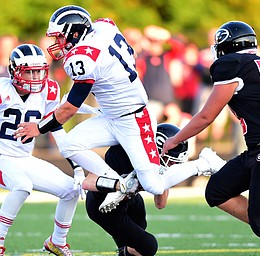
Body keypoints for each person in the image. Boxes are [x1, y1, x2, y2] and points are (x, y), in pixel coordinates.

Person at [13, 5, 225, 213]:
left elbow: (70, 108)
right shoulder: (104, 27)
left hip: (134, 118)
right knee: (69, 145)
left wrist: (39, 128)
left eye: (60, 36)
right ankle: (119, 184)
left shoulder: (82, 58)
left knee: (155, 186)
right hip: (111, 115)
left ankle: (203, 162)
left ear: (76, 33)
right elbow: (128, 52)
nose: (57, 42)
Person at [161, 21, 260, 256]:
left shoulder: (232, 64)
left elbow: (207, 116)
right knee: (218, 190)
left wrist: (175, 139)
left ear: (227, 45)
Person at [0, 44, 81, 256]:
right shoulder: (2, 90)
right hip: (1, 156)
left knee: (72, 190)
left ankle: (57, 241)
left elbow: (55, 126)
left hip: (23, 157)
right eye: (29, 71)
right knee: (22, 186)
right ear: (15, 71)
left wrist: (76, 162)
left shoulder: (49, 89)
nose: (35, 77)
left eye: (39, 71)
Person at [86, 123, 188, 256]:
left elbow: (160, 203)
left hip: (129, 200)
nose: (172, 165)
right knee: (148, 246)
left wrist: (162, 175)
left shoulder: (153, 162)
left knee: (138, 220)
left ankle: (124, 252)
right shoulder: (125, 152)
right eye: (171, 161)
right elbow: (88, 182)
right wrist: (119, 185)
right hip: (103, 206)